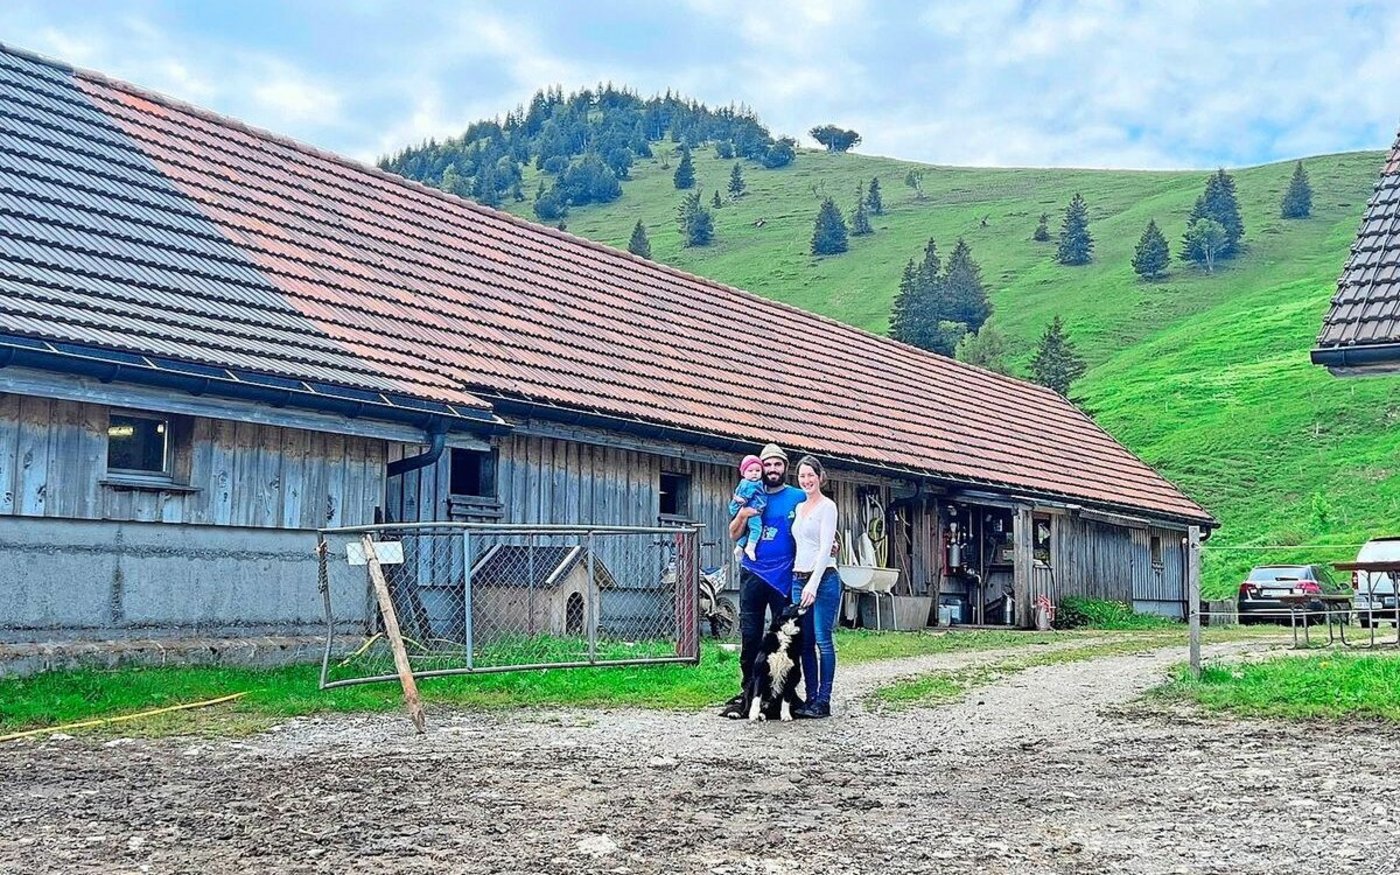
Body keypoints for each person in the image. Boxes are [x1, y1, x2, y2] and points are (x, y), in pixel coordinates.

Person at [717, 443, 804, 720]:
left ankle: (783, 696)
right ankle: (749, 693)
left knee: (787, 642)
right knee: (751, 637)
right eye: (768, 465)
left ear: (785, 468)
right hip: (753, 573)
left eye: (778, 464)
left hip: (784, 576)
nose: (772, 469)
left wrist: (833, 542)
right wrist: (742, 515)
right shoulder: (749, 492)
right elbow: (733, 534)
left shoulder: (797, 497)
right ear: (760, 468)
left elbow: (813, 525)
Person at [789, 455, 841, 719]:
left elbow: (824, 548)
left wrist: (813, 582)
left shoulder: (827, 507)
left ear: (820, 476)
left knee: (823, 639)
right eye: (802, 476)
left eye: (811, 475)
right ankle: (810, 698)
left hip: (822, 580)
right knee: (805, 642)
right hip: (798, 578)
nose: (807, 480)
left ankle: (824, 700)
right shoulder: (799, 508)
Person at [728, 455, 767, 562]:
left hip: (749, 509)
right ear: (744, 473)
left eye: (758, 470)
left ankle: (740, 547)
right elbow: (745, 497)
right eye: (750, 471)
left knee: (747, 532)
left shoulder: (745, 483)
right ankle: (750, 547)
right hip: (753, 511)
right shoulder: (752, 484)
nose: (754, 473)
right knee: (756, 529)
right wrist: (742, 501)